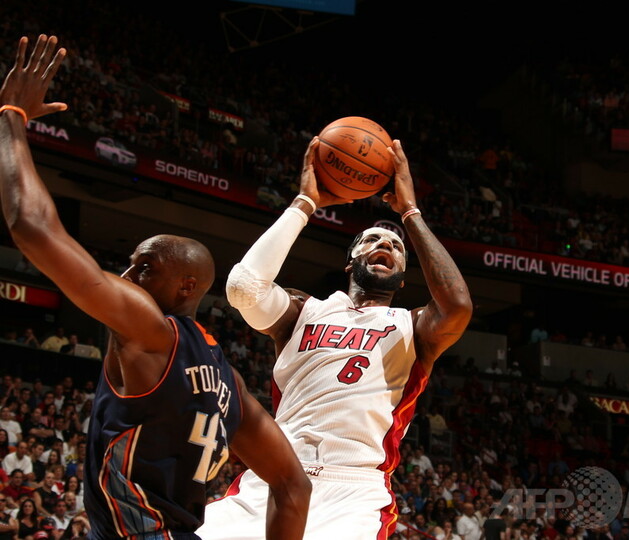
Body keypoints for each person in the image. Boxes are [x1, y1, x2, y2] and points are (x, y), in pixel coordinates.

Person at [0, 35, 310, 539]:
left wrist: (12, 116)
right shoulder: (228, 380)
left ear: (186, 286)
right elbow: (293, 485)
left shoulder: (149, 330)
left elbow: (32, 227)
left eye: (143, 268)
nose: (126, 278)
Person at [198, 136, 473, 539]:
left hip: (354, 489)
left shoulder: (414, 326)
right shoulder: (302, 311)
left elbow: (458, 307)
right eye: (372, 240)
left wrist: (410, 213)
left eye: (397, 246)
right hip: (277, 473)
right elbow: (244, 288)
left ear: (402, 276)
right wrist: (304, 203)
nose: (385, 243)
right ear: (350, 262)